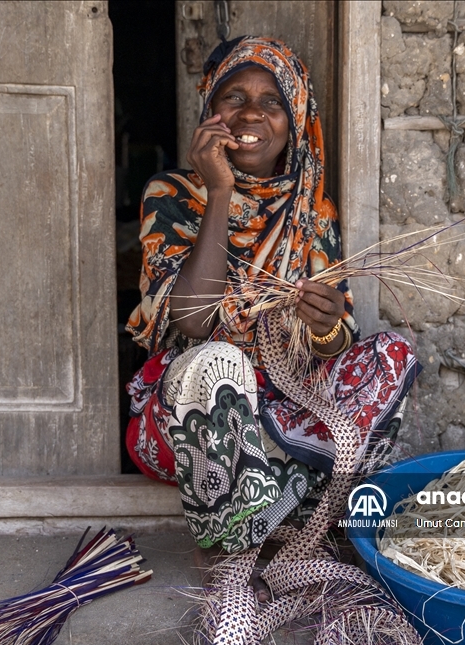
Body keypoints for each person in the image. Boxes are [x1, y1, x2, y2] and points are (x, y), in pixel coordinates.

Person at [125, 36, 419, 563]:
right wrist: (219, 191)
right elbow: (193, 321)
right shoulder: (170, 194)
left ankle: (287, 489)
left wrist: (326, 325)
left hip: (283, 418)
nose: (251, 114)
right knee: (220, 362)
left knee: (392, 354)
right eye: (234, 97)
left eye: (273, 102)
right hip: (190, 427)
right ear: (211, 110)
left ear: (295, 120)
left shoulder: (311, 211)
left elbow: (336, 344)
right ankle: (237, 543)